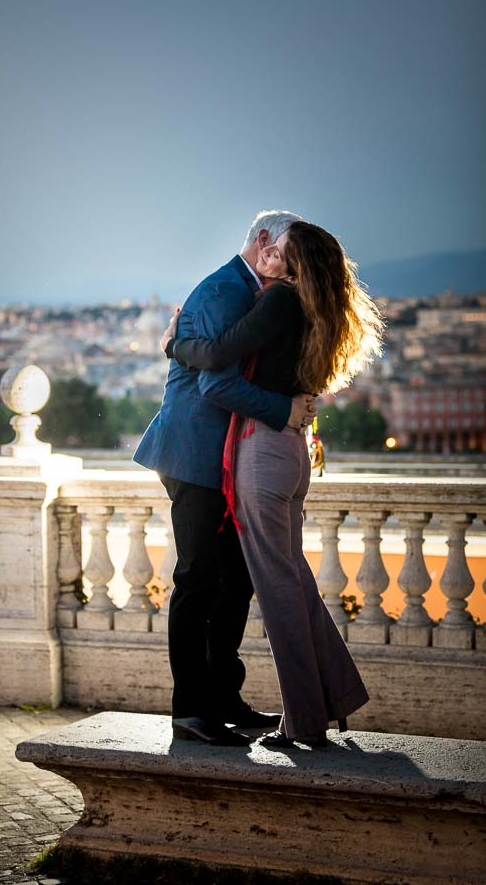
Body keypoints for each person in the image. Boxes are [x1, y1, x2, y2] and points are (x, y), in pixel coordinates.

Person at [164, 221, 383, 747]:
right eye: (270, 248)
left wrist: (175, 343)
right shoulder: (314, 303)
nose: (270, 258)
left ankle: (298, 714)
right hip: (273, 455)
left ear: (291, 260)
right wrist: (291, 411)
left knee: (271, 587)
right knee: (263, 581)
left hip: (262, 452)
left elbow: (216, 363)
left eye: (281, 253)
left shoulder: (277, 300)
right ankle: (305, 699)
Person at [134, 211, 317, 747]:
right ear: (263, 241)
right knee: (198, 580)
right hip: (194, 455)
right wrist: (284, 410)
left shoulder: (257, 293)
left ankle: (222, 697)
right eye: (285, 247)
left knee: (233, 579)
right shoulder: (224, 291)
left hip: (225, 458)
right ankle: (191, 709)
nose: (290, 260)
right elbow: (216, 386)